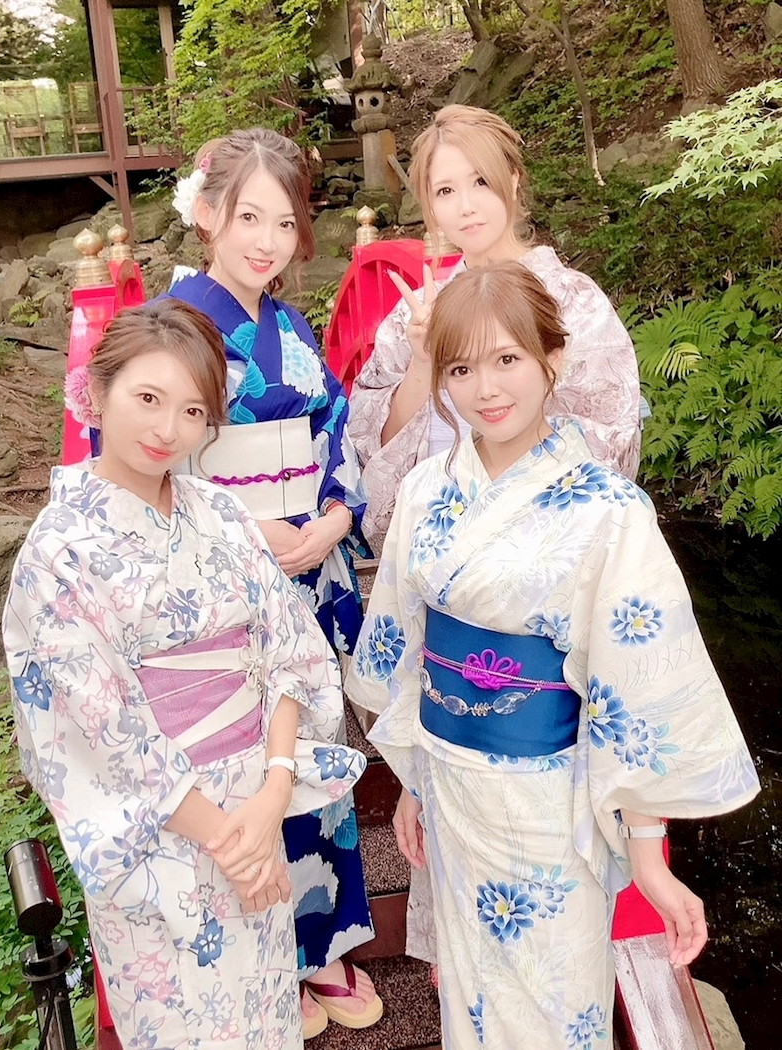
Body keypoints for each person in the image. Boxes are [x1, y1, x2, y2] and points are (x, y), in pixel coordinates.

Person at [345, 262, 759, 1049]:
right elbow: (404, 643)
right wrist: (413, 783)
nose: (485, 389)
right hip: (452, 793)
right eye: (460, 369)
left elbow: (637, 685)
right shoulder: (428, 489)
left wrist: (648, 856)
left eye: (508, 359)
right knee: (469, 997)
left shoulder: (609, 510)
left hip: (547, 803)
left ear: (552, 360)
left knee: (552, 1005)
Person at [3, 299, 368, 1049]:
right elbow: (102, 729)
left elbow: (286, 650)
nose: (168, 428)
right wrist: (230, 841)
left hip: (255, 807)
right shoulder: (59, 552)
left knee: (269, 1022)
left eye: (193, 410)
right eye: (147, 398)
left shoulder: (222, 514)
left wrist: (273, 795)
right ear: (96, 392)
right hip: (163, 837)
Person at [164, 129, 382, 1036]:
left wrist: (333, 518)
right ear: (208, 213)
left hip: (308, 567)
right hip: (223, 578)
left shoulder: (289, 329)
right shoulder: (175, 327)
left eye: (285, 223)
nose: (267, 241)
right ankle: (266, 957)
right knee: (246, 763)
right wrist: (250, 530)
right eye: (248, 217)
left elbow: (335, 431)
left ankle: (321, 942)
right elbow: (152, 457)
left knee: (314, 749)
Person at [347, 104, 643, 539]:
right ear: (429, 204)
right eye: (445, 191)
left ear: (514, 180)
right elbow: (370, 446)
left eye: (481, 182)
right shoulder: (417, 312)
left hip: (543, 534)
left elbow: (611, 436)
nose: (466, 207)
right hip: (438, 533)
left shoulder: (571, 301)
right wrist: (422, 363)